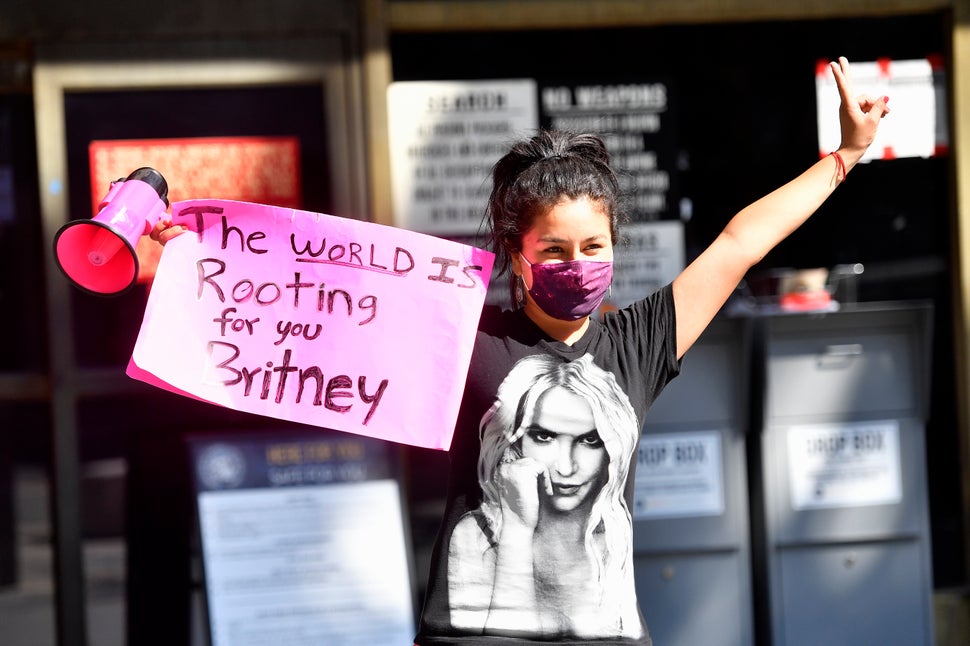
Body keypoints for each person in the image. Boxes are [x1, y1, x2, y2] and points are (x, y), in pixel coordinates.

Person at [150, 57, 887, 645]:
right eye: (555, 249)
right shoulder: (464, 337)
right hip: (472, 632)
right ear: (515, 254)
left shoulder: (639, 342)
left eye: (593, 246)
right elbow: (318, 303)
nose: (578, 263)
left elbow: (738, 242)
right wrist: (204, 260)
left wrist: (846, 158)